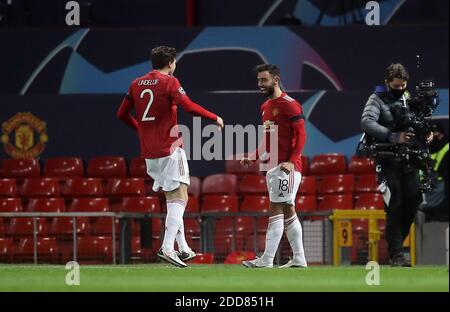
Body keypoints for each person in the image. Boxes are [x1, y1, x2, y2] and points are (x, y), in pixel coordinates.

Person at [117, 46, 224, 268]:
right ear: (171, 62)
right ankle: (167, 247)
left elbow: (121, 114)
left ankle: (182, 247)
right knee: (181, 197)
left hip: (149, 152)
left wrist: (139, 129)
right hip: (169, 147)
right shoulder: (170, 82)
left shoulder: (136, 83)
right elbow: (188, 107)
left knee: (172, 197)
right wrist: (214, 117)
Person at [361, 63, 433, 266]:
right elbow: (367, 122)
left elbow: (413, 121)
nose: (400, 89)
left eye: (403, 85)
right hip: (386, 159)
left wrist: (423, 133)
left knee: (413, 199)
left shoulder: (407, 97)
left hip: (408, 158)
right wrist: (393, 136)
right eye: (396, 85)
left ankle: (396, 247)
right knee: (395, 203)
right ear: (387, 82)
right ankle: (397, 254)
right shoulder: (376, 99)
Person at [241, 64, 307, 268]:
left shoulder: (290, 104)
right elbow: (268, 139)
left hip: (287, 167)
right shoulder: (265, 107)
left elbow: (302, 135)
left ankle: (267, 260)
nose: (260, 84)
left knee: (276, 208)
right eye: (259, 80)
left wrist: (291, 160)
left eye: (264, 80)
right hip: (275, 166)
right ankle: (299, 259)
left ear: (275, 80)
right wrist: (253, 155)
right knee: (288, 209)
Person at [421, 123, 449, 222]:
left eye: (436, 133)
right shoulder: (428, 146)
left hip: (443, 183)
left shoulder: (446, 146)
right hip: (431, 182)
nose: (434, 136)